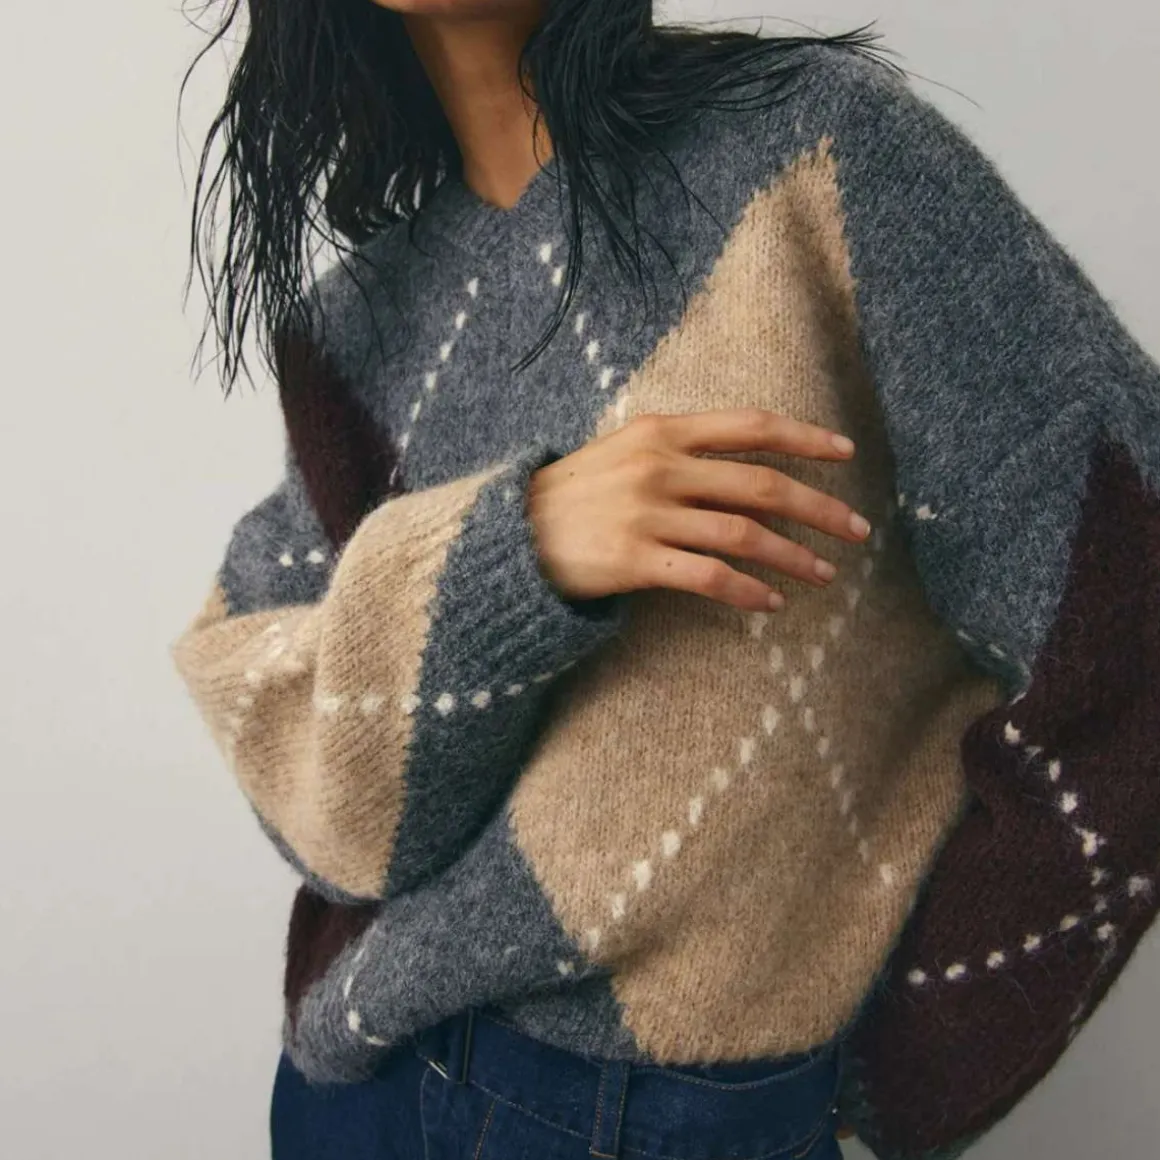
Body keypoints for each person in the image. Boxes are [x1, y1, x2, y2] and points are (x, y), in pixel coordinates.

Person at [174, 2, 1160, 1158]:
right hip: (358, 1094)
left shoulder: (809, 152)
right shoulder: (354, 322)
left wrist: (913, 1057)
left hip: (663, 1110)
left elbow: (1130, 600)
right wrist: (513, 550)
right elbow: (320, 797)